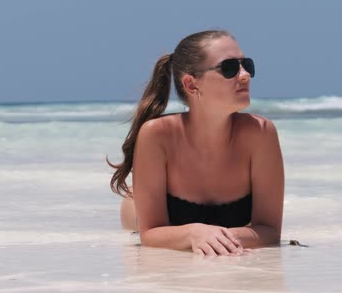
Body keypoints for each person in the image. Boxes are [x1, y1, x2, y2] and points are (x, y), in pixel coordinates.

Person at [108, 29, 284, 256]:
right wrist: (194, 233)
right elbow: (149, 234)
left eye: (246, 65)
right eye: (229, 68)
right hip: (136, 211)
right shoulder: (156, 135)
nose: (244, 75)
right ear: (191, 85)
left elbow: (270, 230)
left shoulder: (261, 133)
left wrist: (214, 236)